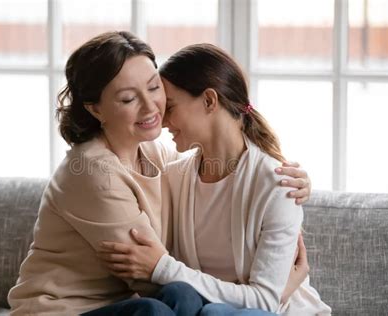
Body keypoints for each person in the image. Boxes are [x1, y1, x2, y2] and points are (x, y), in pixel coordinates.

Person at [8, 32, 312, 315]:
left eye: (155, 88)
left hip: (127, 305)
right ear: (96, 110)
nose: (153, 109)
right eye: (128, 99)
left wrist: (295, 184)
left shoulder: (157, 155)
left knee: (184, 298)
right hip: (65, 310)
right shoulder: (94, 172)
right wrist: (282, 288)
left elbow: (163, 266)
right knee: (164, 306)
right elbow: (147, 276)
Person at [97, 43, 332, 315]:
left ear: (209, 101)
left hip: (279, 312)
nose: (161, 122)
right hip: (208, 310)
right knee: (192, 302)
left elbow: (265, 301)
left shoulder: (278, 185)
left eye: (169, 107)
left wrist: (161, 267)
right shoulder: (174, 177)